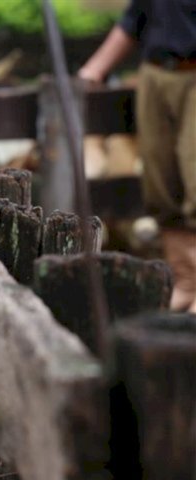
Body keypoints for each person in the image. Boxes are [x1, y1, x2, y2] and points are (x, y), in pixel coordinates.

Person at [78, 0, 196, 313]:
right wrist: (96, 69)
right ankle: (185, 283)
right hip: (156, 74)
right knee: (161, 182)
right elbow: (136, 18)